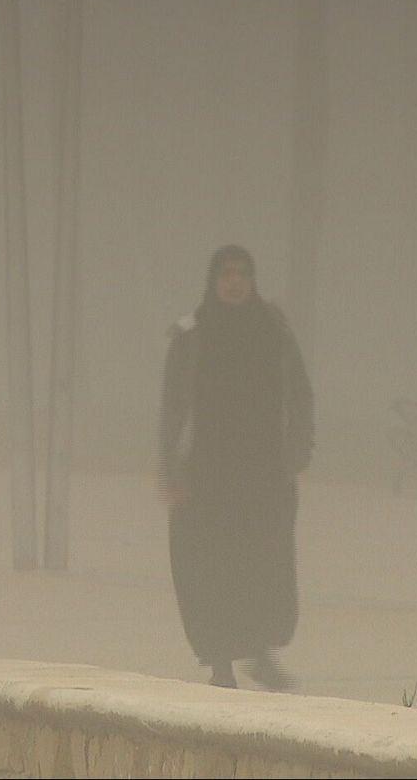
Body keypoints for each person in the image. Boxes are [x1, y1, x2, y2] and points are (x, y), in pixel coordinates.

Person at [157, 244, 313, 690]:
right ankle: (221, 663)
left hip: (263, 474)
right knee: (211, 568)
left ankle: (260, 652)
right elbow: (173, 407)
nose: (235, 282)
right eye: (226, 274)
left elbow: (299, 392)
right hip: (208, 477)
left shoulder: (272, 330)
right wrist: (170, 468)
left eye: (242, 273)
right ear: (214, 280)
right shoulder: (193, 335)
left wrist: (298, 450)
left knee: (262, 563)